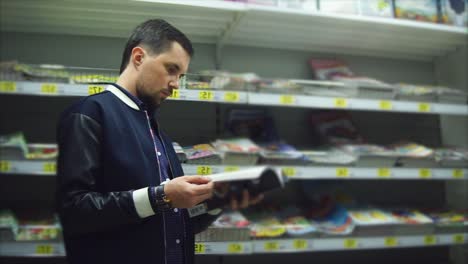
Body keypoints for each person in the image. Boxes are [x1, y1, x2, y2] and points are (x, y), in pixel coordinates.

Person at [56, 19, 261, 264]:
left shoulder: (159, 136)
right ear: (139, 57)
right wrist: (160, 197)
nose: (176, 84)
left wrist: (218, 203)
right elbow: (74, 211)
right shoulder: (89, 114)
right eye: (171, 69)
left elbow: (176, 225)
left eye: (181, 75)